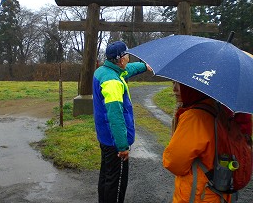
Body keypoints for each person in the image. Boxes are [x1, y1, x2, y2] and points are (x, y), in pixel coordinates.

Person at [92, 41, 151, 203]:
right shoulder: (113, 83)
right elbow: (115, 116)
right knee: (117, 182)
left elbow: (129, 70)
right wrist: (122, 146)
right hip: (115, 143)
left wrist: (145, 66)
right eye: (126, 55)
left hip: (105, 138)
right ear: (120, 59)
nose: (128, 58)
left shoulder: (104, 71)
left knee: (106, 175)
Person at [163, 82, 232, 203]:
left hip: (198, 194)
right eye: (173, 83)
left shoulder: (195, 117)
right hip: (218, 193)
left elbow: (174, 163)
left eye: (180, 85)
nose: (174, 89)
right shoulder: (218, 109)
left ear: (194, 86)